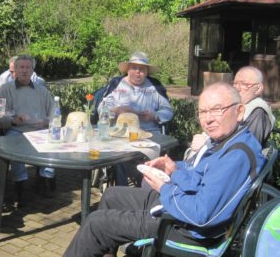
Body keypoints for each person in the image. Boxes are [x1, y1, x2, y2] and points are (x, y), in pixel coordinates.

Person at [64, 82, 265, 257]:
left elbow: (202, 215)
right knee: (112, 195)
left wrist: (164, 188)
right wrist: (174, 169)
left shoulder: (237, 155)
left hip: (187, 229)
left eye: (217, 109)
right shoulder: (229, 141)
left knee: (96, 223)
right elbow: (199, 181)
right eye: (203, 112)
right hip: (184, 208)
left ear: (239, 111)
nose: (208, 119)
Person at [98, 51, 174, 185]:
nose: (138, 72)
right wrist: (115, 110)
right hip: (120, 134)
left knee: (150, 155)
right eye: (134, 68)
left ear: (147, 72)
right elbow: (102, 109)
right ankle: (122, 190)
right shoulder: (117, 84)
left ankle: (146, 188)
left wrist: (154, 115)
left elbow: (168, 111)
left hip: (148, 135)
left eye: (142, 69)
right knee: (118, 157)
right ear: (128, 69)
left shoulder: (154, 87)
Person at [187, 66, 276, 164]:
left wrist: (206, 145)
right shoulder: (238, 106)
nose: (237, 88)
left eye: (244, 84)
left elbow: (244, 152)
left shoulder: (258, 112)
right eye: (235, 83)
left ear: (258, 89)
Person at [0, 54, 54, 204]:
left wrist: (48, 122)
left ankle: (45, 180)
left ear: (32, 70)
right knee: (14, 144)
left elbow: (54, 112)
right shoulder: (5, 90)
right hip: (17, 129)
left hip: (39, 129)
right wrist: (14, 121)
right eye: (21, 67)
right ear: (14, 70)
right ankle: (19, 185)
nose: (24, 70)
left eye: (28, 67)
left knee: (53, 142)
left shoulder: (42, 90)